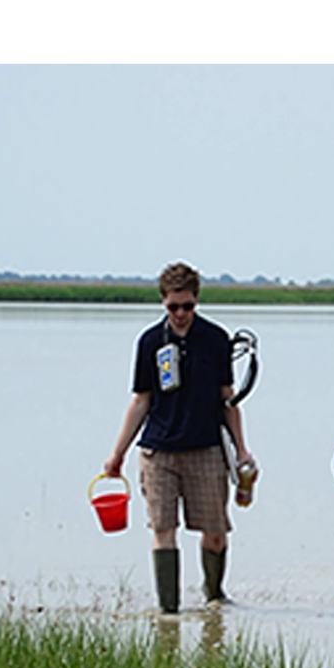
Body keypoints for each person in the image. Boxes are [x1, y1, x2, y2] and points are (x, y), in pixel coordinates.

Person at [103, 262, 256, 611]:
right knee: (163, 531)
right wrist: (117, 454)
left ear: (196, 301)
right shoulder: (150, 342)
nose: (181, 313)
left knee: (215, 534)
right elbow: (141, 401)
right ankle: (168, 612)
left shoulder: (216, 339)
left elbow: (228, 399)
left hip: (206, 449)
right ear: (163, 302)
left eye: (187, 306)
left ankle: (214, 596)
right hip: (159, 451)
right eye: (174, 307)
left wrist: (242, 450)